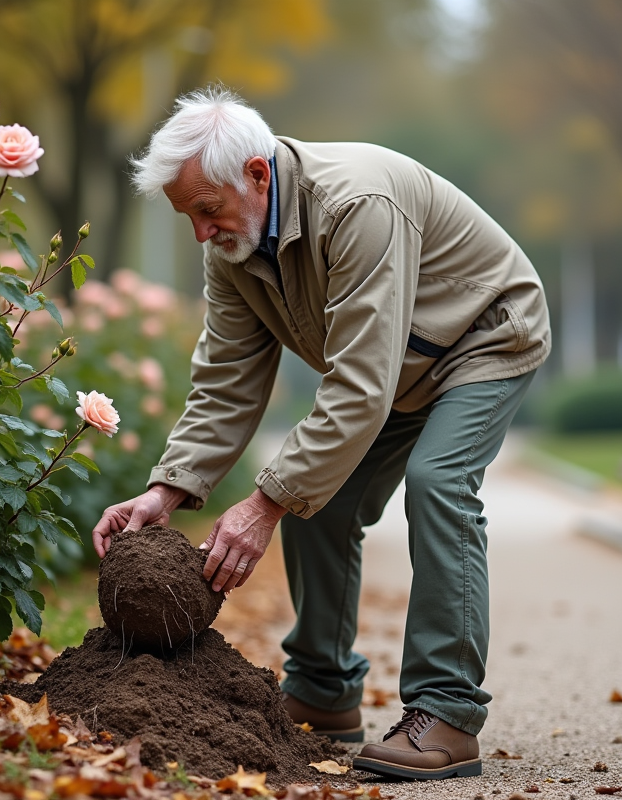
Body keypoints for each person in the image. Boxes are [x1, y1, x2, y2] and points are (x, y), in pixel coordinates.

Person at [92, 86, 550, 781]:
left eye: (206, 210)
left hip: (481, 338)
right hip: (397, 363)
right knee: (315, 494)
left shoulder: (358, 207)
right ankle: (325, 690)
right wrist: (168, 489)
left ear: (255, 173)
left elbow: (361, 385)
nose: (200, 234)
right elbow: (227, 378)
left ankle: (449, 713)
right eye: (186, 217)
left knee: (437, 483)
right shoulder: (234, 249)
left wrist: (263, 504)